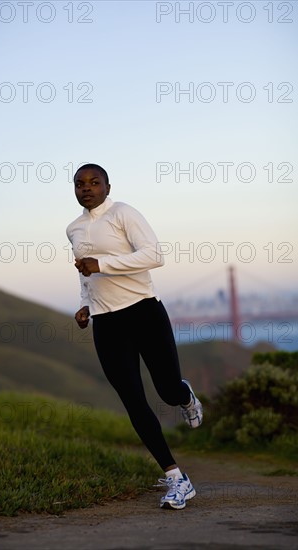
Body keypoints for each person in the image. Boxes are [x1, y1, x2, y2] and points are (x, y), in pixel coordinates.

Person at [66, 163, 203, 510]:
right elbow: (85, 273)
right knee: (133, 399)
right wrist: (85, 304)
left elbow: (154, 255)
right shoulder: (74, 229)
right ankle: (176, 478)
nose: (87, 188)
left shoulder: (123, 213)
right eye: (80, 184)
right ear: (75, 190)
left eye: (94, 182)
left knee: (167, 389)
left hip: (144, 311)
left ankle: (185, 396)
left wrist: (103, 264)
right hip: (107, 323)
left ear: (107, 187)